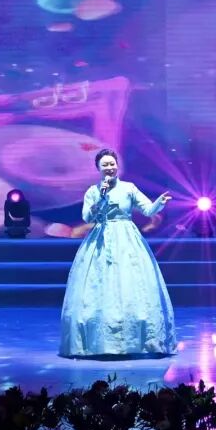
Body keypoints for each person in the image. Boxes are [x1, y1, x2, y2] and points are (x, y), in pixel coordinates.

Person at [59, 148, 176, 357]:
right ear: (98, 168)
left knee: (130, 282)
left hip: (127, 239)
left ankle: (135, 340)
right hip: (101, 239)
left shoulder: (129, 188)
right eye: (104, 165)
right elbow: (86, 217)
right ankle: (100, 342)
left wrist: (159, 203)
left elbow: (148, 210)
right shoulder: (93, 191)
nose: (109, 168)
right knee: (99, 284)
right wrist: (100, 199)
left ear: (117, 165)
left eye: (112, 164)